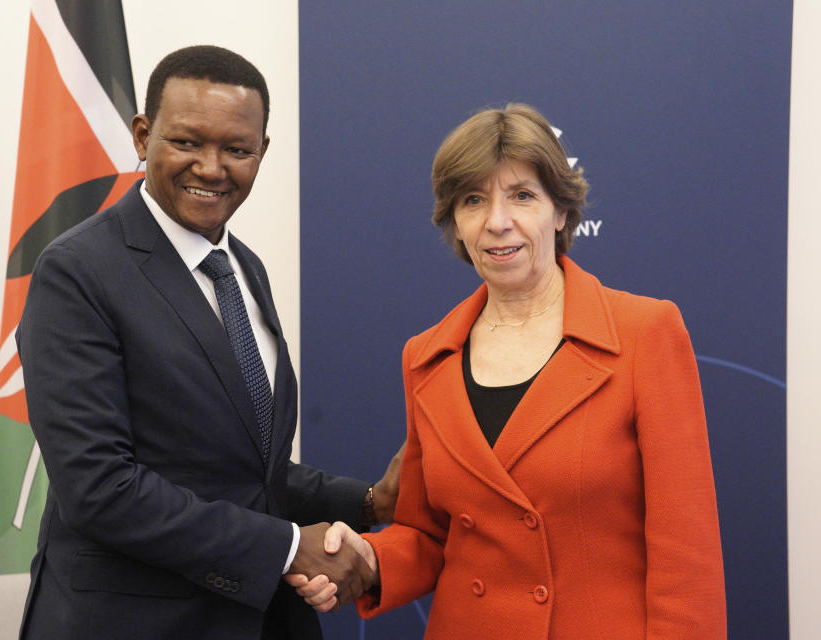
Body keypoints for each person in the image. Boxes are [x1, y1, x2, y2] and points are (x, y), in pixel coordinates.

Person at [289, 104, 727, 638]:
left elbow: (688, 555)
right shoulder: (426, 356)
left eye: (522, 195)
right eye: (473, 200)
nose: (497, 221)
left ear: (561, 212)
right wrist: (368, 557)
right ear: (454, 223)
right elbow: (431, 535)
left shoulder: (644, 333)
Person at [16, 45, 402, 640]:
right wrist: (288, 546)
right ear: (143, 136)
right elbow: (100, 487)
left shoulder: (242, 268)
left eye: (237, 149)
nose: (212, 167)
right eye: (188, 142)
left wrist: (370, 503)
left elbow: (240, 469)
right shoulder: (77, 271)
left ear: (262, 152)